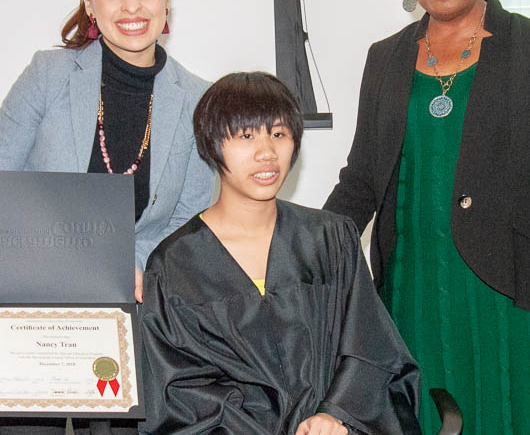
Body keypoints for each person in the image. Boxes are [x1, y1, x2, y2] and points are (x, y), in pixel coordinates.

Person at [324, 0, 530, 434]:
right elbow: (361, 183)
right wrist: (296, 252)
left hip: (511, 300)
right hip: (410, 295)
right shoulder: (385, 59)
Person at [0, 0, 214, 434]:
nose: (131, 4)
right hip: (31, 307)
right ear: (89, 3)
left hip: (128, 313)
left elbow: (189, 217)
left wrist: (133, 268)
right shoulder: (49, 74)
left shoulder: (197, 99)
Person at [139, 72, 421, 435]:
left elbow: (371, 348)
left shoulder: (330, 238)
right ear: (212, 145)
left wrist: (334, 415)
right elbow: (180, 394)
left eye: (278, 134)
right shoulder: (175, 265)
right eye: (246, 135)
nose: (266, 153)